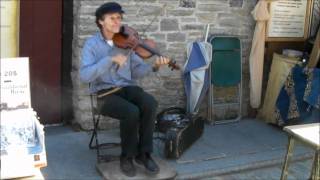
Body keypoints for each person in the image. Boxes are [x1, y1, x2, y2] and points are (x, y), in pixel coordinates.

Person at [80, 2, 170, 177]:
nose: (117, 22)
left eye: (119, 18)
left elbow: (138, 71)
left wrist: (155, 67)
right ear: (100, 21)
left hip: (127, 88)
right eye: (112, 18)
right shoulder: (92, 45)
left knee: (149, 103)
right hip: (103, 93)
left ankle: (143, 154)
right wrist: (109, 60)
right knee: (131, 112)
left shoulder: (126, 42)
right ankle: (127, 157)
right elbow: (85, 75)